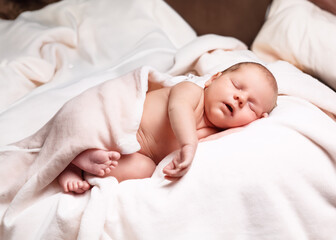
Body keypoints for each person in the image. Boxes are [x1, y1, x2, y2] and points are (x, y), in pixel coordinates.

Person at [57, 62, 278, 193]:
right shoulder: (191, 92)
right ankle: (73, 154)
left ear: (258, 119)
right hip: (117, 121)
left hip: (135, 153)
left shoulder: (219, 134)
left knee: (143, 171)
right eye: (237, 86)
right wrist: (188, 143)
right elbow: (178, 109)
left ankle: (85, 165)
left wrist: (243, 129)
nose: (240, 98)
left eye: (250, 105)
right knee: (94, 120)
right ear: (213, 79)